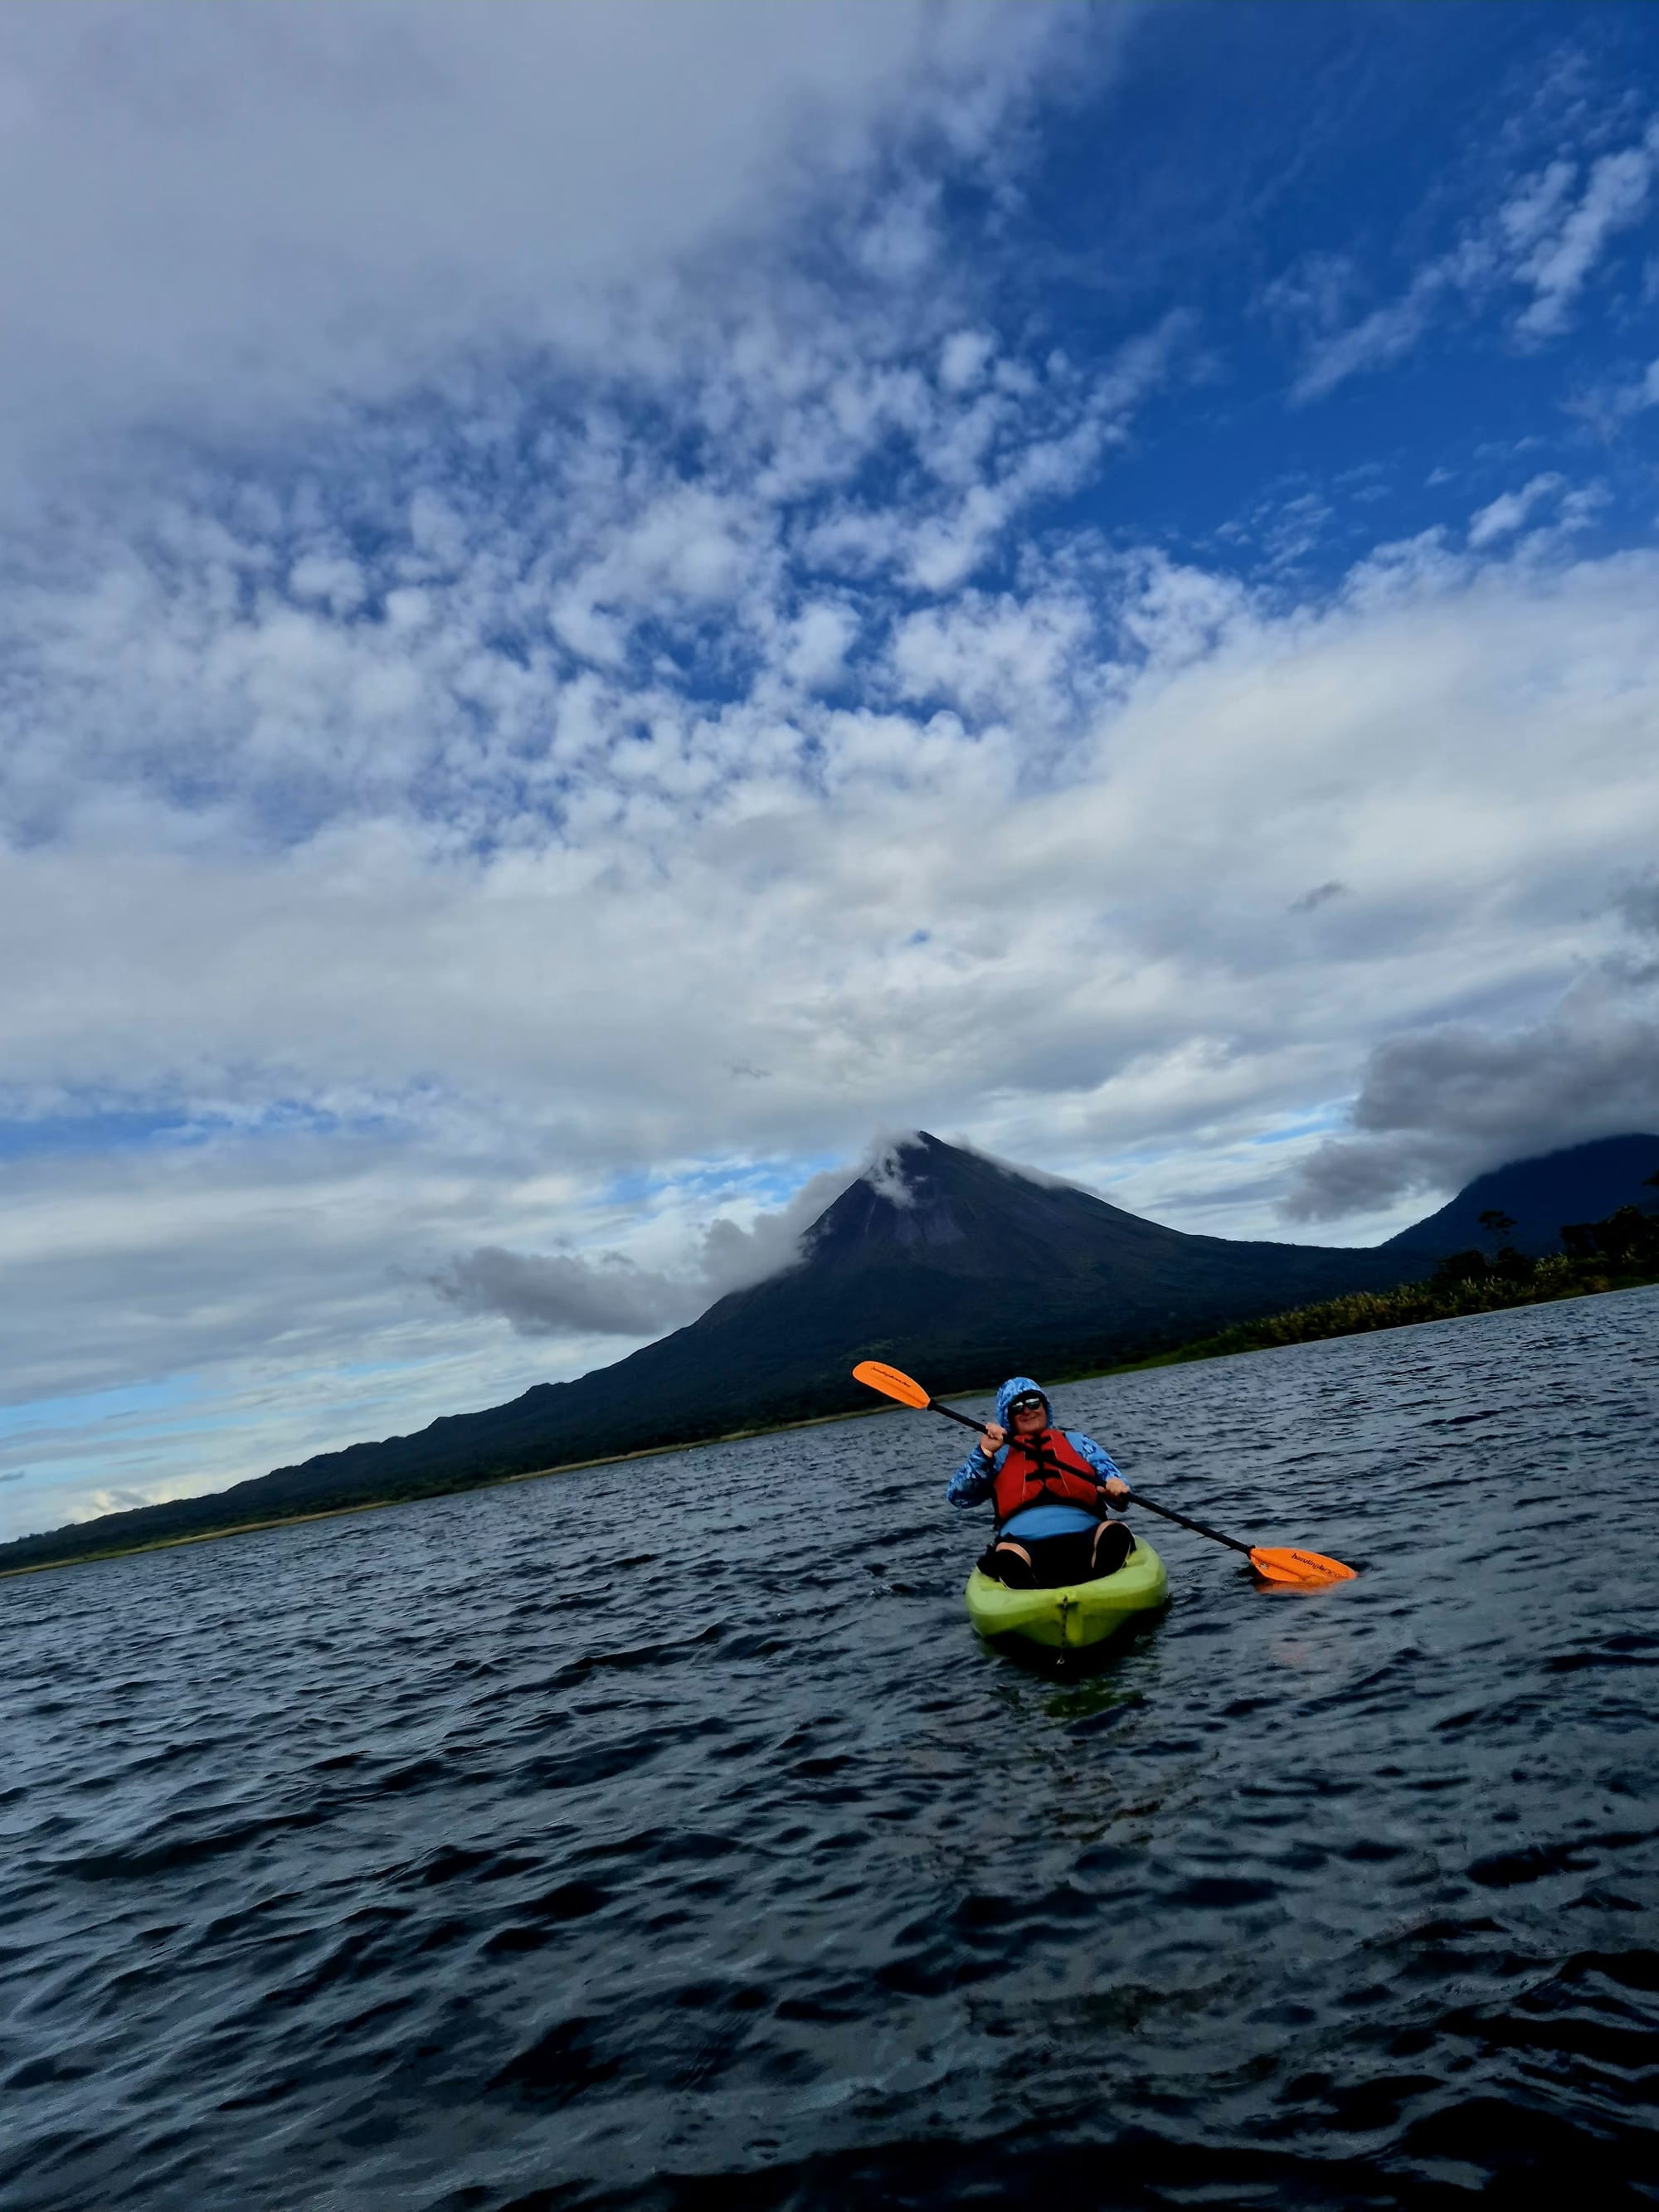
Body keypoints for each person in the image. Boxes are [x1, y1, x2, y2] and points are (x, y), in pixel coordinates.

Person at [946, 1375, 1135, 1589]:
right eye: (1017, 1407)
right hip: (1024, 1547)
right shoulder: (997, 1455)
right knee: (1008, 1553)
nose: (1027, 1410)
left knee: (1114, 1531)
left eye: (1033, 1403)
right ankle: (1028, 1593)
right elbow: (958, 1496)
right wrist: (984, 1452)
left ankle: (1103, 1584)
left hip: (1087, 1538)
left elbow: (1116, 1482)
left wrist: (1117, 1489)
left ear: (1045, 1407)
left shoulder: (1079, 1443)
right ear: (1008, 1417)